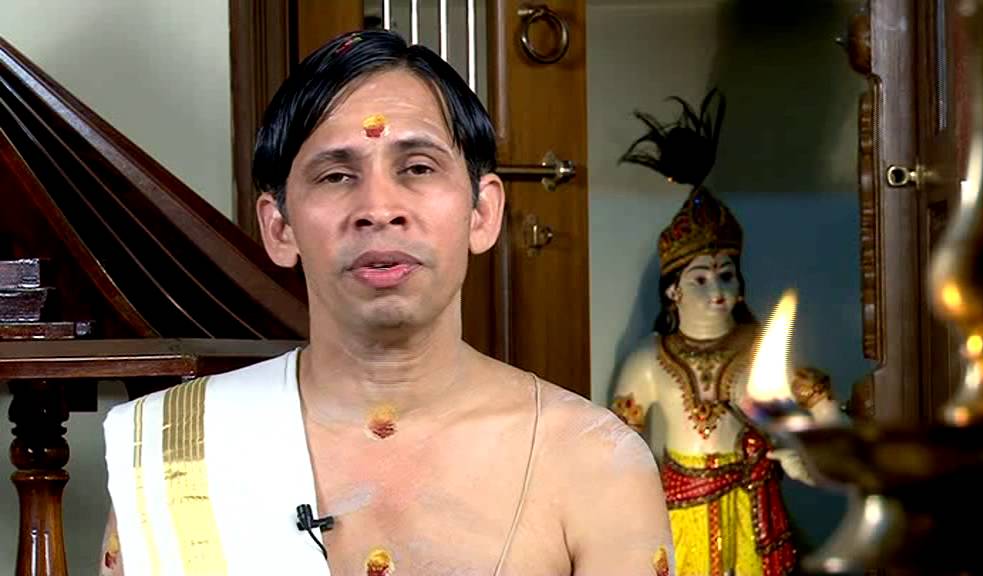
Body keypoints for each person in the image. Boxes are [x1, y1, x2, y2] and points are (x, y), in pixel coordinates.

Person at [98, 29, 673, 576]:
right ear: (279, 227)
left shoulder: (593, 463)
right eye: (336, 176)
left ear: (482, 212)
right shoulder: (173, 453)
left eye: (417, 168)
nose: (378, 208)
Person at [611, 187, 842, 576]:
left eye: (726, 276)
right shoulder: (648, 360)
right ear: (673, 290)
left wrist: (813, 460)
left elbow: (825, 411)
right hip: (679, 509)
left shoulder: (763, 348)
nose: (717, 291)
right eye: (701, 279)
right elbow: (621, 450)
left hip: (751, 504)